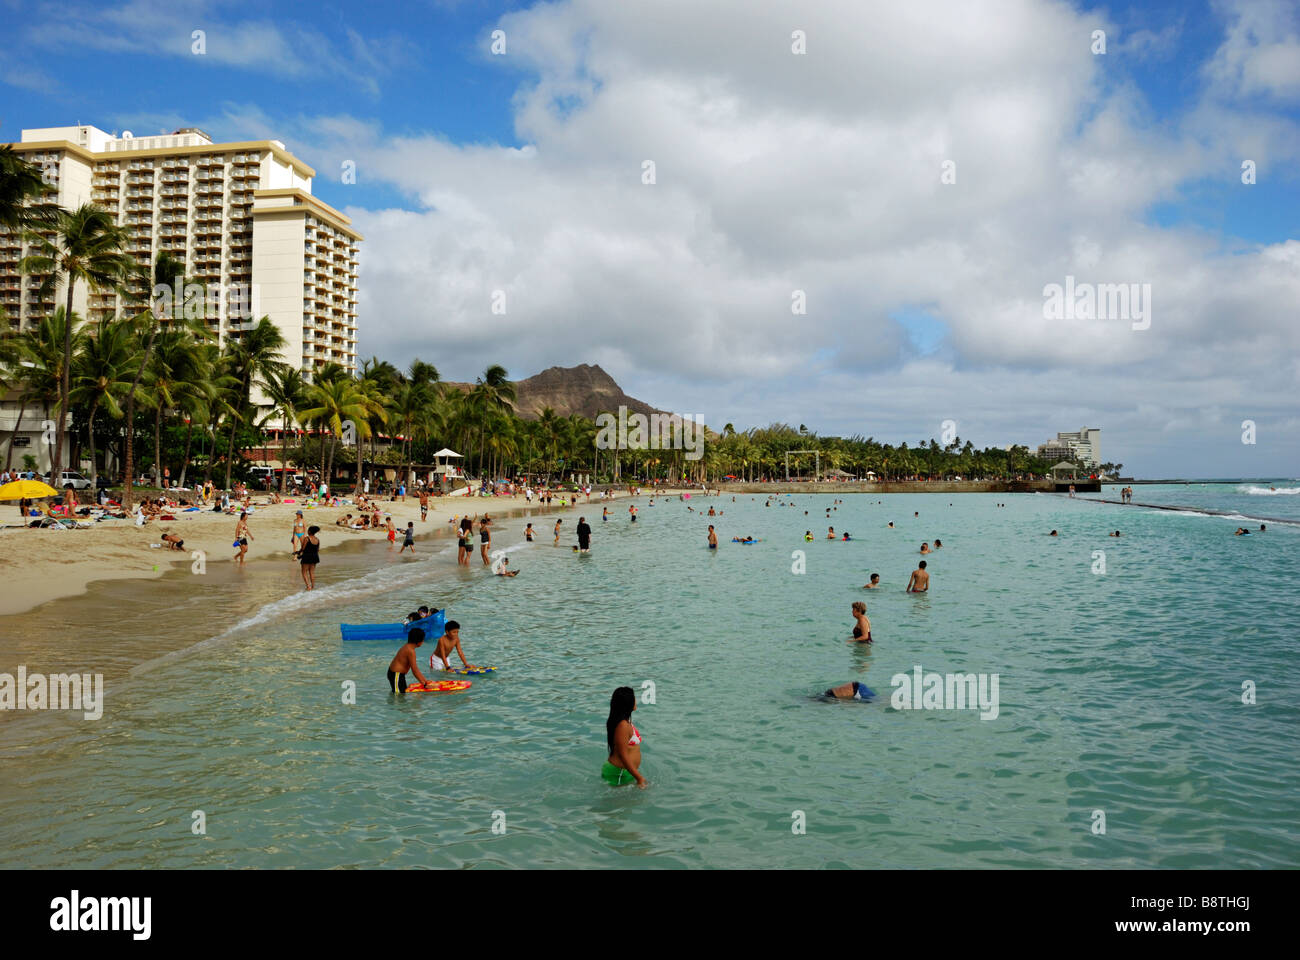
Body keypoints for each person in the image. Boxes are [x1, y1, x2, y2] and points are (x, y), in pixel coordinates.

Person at [603, 686, 647, 788]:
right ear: (627, 703)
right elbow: (623, 755)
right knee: (618, 804)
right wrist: (639, 778)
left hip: (625, 772)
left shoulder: (625, 722)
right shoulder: (622, 725)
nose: (636, 700)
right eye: (634, 698)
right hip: (619, 773)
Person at [387, 629, 432, 693]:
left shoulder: (408, 647)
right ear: (418, 641)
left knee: (402, 693)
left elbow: (416, 669)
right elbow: (415, 670)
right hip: (396, 675)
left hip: (396, 674)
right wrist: (424, 684)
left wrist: (425, 681)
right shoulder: (410, 651)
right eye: (423, 639)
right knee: (398, 697)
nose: (423, 641)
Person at [300, 525, 321, 589]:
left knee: (304, 572)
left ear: (309, 531)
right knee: (312, 572)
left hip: (307, 556)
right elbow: (318, 550)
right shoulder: (317, 539)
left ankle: (308, 587)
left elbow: (303, 548)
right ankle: (313, 586)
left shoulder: (307, 538)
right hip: (315, 556)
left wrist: (298, 552)